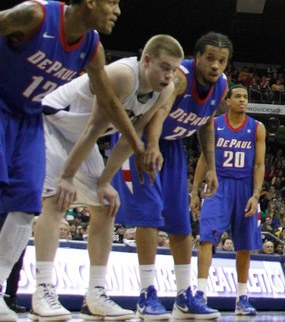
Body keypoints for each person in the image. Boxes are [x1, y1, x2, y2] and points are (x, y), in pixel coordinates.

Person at [0, 0, 148, 321]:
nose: (117, 11)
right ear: (90, 2)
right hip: (5, 107)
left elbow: (109, 103)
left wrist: (137, 146)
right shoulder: (36, 15)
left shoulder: (91, 47)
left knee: (26, 205)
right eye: (112, 3)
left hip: (28, 118)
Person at [31, 35, 183, 322]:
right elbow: (93, 128)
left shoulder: (165, 90)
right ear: (146, 60)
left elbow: (131, 135)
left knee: (104, 205)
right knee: (56, 199)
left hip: (81, 138)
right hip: (51, 123)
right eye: (164, 67)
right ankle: (43, 290)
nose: (169, 76)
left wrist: (105, 181)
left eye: (174, 69)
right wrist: (67, 176)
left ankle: (95, 295)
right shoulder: (123, 76)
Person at [107, 32, 232, 321]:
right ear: (196, 57)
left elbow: (206, 123)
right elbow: (158, 112)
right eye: (210, 58)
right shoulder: (181, 78)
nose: (215, 65)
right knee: (150, 215)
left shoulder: (221, 85)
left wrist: (211, 167)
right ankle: (146, 294)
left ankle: (184, 296)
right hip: (141, 138)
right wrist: (150, 146)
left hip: (173, 145)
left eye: (222, 60)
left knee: (180, 221)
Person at [193, 85, 266, 316]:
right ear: (228, 101)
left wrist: (256, 195)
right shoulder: (214, 124)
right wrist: (194, 191)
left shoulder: (257, 127)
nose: (242, 100)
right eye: (238, 97)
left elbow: (259, 164)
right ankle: (200, 294)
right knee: (207, 238)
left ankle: (242, 298)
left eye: (245, 97)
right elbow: (203, 159)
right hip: (219, 184)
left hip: (245, 186)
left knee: (244, 245)